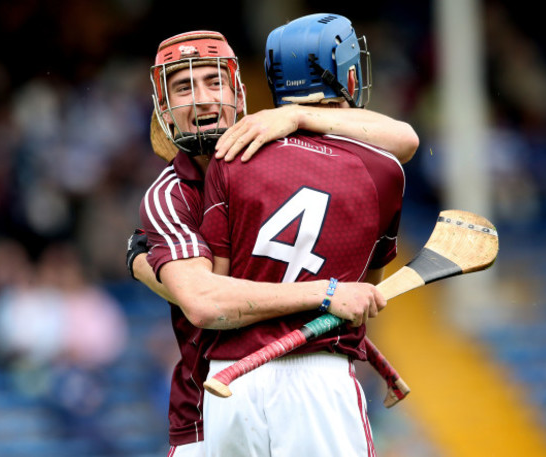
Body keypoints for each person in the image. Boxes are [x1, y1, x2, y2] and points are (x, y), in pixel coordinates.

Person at [130, 28, 418, 456]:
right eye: (184, 87)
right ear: (165, 110)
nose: (203, 98)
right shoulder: (169, 196)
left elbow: (404, 140)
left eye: (213, 81)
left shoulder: (283, 147)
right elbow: (205, 302)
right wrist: (326, 293)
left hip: (282, 387)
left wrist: (301, 115)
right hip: (204, 414)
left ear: (238, 93)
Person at [199, 13, 405, 456]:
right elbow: (364, 291)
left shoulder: (230, 154)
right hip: (317, 381)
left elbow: (217, 288)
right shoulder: (386, 172)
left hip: (229, 380)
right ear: (349, 72)